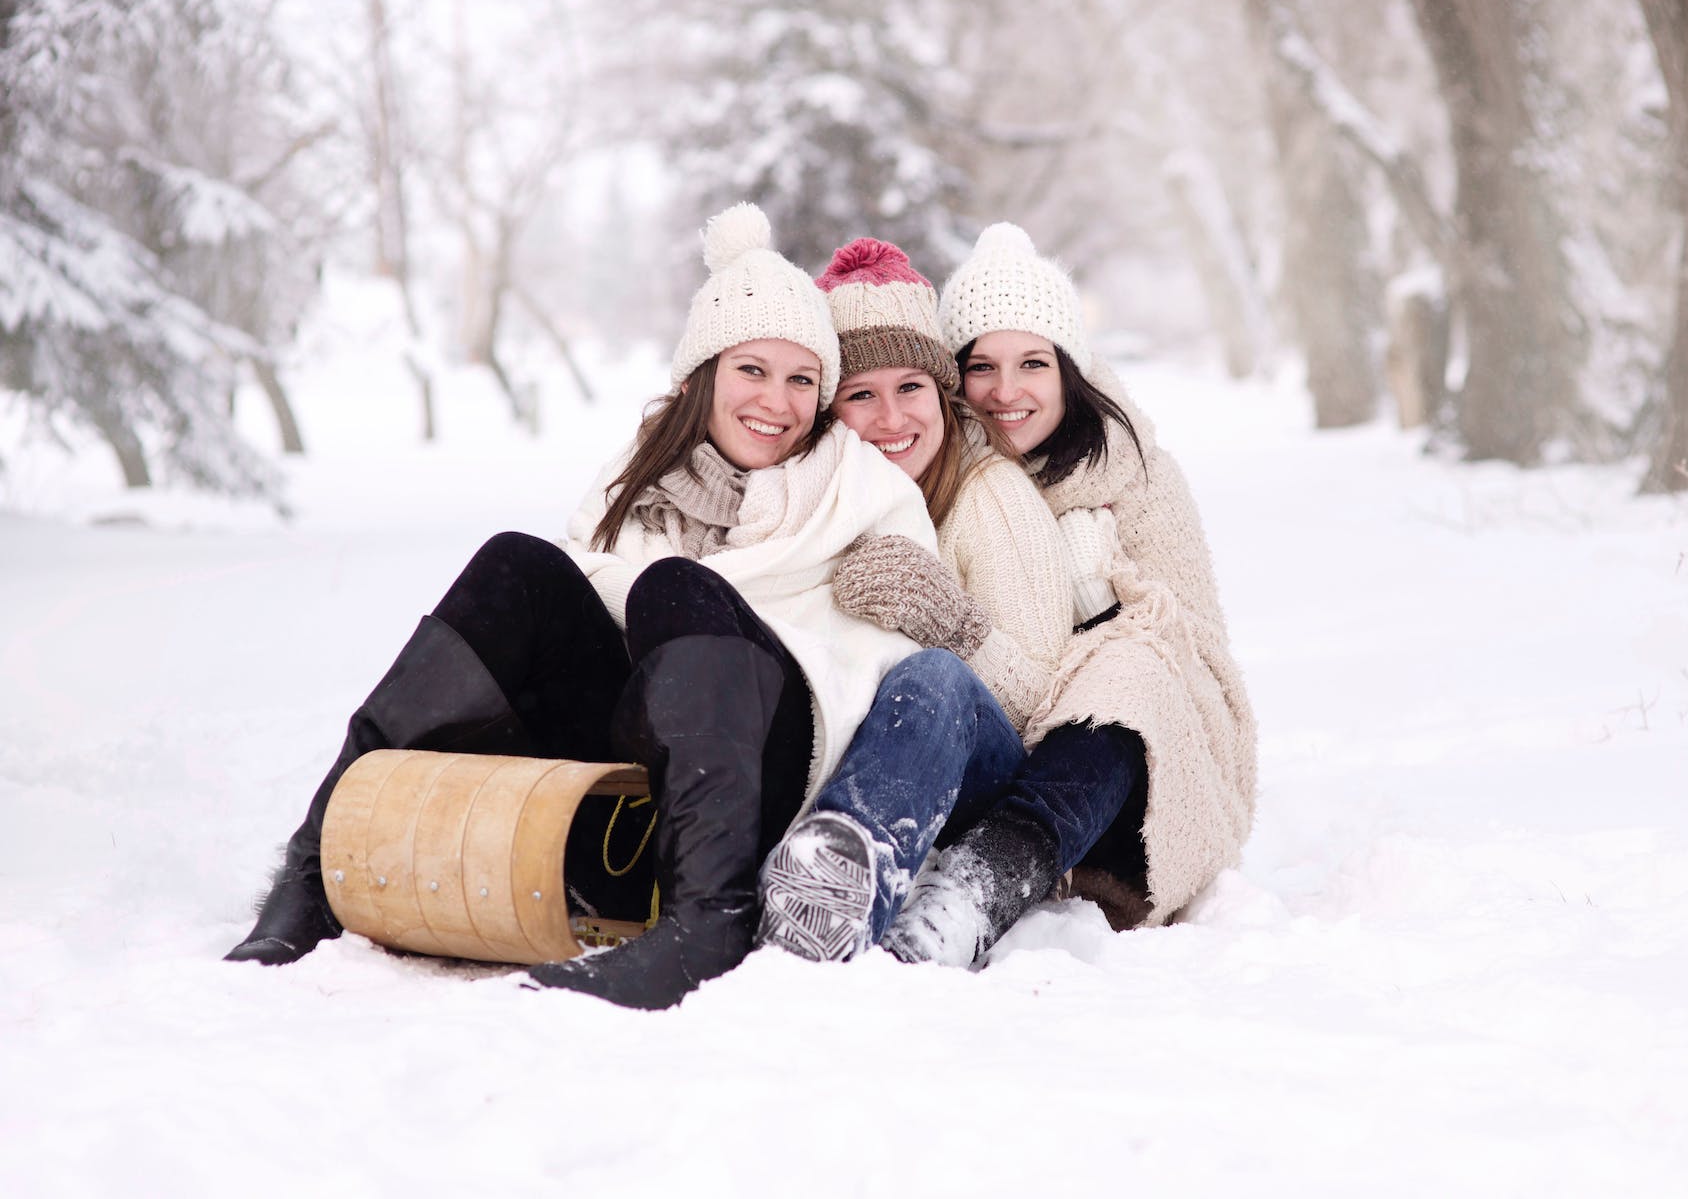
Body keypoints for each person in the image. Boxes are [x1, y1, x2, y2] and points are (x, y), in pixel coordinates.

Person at [225, 204, 933, 1010]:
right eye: (752, 370)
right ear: (704, 372)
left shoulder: (860, 489)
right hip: (640, 757)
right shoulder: (640, 478)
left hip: (773, 763)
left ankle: (711, 917)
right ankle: (313, 870)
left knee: (677, 586)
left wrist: (695, 606)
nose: (777, 400)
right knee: (517, 563)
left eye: (802, 378)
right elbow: (592, 604)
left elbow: (887, 670)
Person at [874, 220, 1260, 967]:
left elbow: (1198, 654)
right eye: (981, 366)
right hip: (994, 739)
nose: (1006, 391)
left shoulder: (1133, 472)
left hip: (1123, 768)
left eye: (1032, 364)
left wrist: (1105, 602)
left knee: (1133, 671)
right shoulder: (941, 470)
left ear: (1068, 371)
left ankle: (973, 893)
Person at [750, 237, 1077, 960]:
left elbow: (1048, 712)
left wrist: (953, 623)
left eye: (911, 389)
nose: (892, 417)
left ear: (942, 392)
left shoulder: (988, 498)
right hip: (855, 752)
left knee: (932, 679)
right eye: (861, 395)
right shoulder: (823, 496)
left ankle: (840, 877)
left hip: (981, 780)